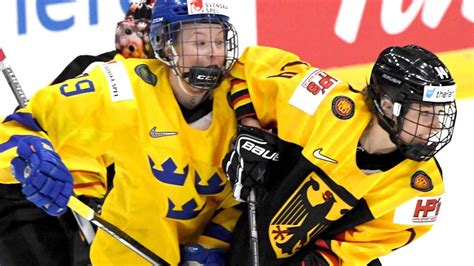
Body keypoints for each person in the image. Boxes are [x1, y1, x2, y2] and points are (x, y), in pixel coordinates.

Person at [0, 0, 242, 265]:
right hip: (40, 206)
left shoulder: (214, 95)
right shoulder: (105, 78)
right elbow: (30, 135)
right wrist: (41, 161)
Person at [223, 44, 457, 265]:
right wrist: (250, 127)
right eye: (426, 114)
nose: (436, 126)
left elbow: (349, 253)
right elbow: (247, 65)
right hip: (239, 236)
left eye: (440, 114)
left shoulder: (419, 188)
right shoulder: (324, 108)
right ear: (387, 107)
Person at [0, 2, 156, 265]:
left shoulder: (186, 89)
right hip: (31, 200)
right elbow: (79, 145)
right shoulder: (104, 75)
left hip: (87, 205)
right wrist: (91, 200)